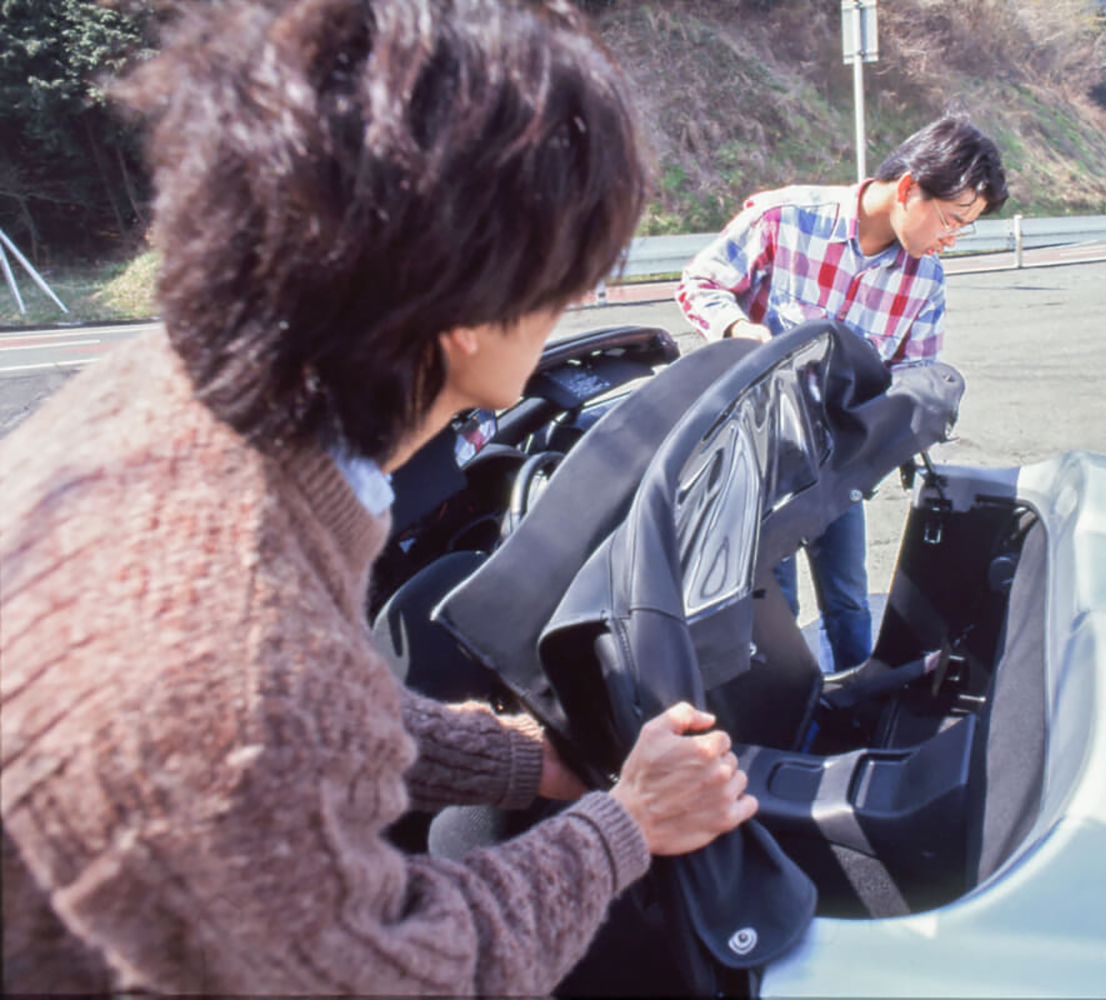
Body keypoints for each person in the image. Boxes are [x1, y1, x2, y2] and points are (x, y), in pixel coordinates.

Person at [0, 0, 756, 994]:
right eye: (572, 275)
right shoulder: (222, 663)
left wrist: (515, 762)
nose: (578, 300)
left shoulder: (180, 393)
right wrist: (627, 825)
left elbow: (317, 718)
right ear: (472, 308)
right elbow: (398, 973)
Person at [676, 114, 1007, 672]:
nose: (950, 238)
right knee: (773, 605)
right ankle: (781, 723)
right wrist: (740, 332)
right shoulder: (787, 218)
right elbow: (700, 281)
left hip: (839, 462)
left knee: (849, 601)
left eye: (964, 228)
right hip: (756, 459)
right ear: (908, 189)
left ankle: (856, 718)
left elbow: (916, 373)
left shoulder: (924, 280)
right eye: (951, 220)